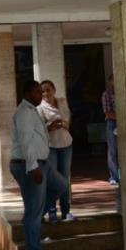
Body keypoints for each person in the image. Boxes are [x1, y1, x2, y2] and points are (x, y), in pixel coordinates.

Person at [11, 80, 68, 250]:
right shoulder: (24, 113)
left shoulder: (31, 110)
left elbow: (35, 135)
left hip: (43, 164)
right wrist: (32, 166)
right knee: (34, 212)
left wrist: (47, 128)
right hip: (30, 164)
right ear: (27, 93)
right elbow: (25, 141)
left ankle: (32, 216)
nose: (40, 95)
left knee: (61, 185)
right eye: (37, 92)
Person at [38, 80, 74, 223]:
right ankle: (51, 211)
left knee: (65, 179)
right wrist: (50, 125)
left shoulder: (62, 102)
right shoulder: (40, 108)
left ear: (54, 89)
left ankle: (66, 211)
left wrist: (62, 123)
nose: (46, 93)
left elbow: (67, 121)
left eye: (48, 89)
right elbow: (40, 128)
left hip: (66, 143)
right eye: (43, 91)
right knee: (53, 180)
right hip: (50, 146)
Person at [102, 74, 119, 185]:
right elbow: (107, 113)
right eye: (114, 80)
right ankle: (113, 176)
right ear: (110, 82)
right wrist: (121, 117)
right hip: (112, 123)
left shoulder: (124, 93)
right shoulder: (106, 95)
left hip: (122, 122)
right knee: (112, 150)